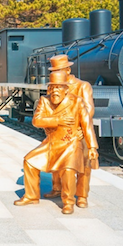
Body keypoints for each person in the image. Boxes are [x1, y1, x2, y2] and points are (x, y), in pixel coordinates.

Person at [14, 70, 99, 214]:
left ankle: (68, 202)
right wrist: (58, 120)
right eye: (52, 87)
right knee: (29, 161)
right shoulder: (44, 101)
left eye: (59, 87)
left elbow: (87, 125)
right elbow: (36, 121)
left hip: (71, 143)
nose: (55, 91)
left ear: (66, 89)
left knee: (68, 170)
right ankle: (31, 196)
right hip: (51, 143)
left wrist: (92, 147)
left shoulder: (77, 102)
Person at [43, 54, 95, 208]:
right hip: (59, 130)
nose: (55, 73)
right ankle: (57, 188)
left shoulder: (82, 86)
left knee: (84, 164)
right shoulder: (54, 84)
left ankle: (82, 195)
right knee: (56, 159)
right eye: (53, 71)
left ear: (68, 70)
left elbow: (89, 109)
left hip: (79, 131)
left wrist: (79, 128)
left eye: (58, 70)